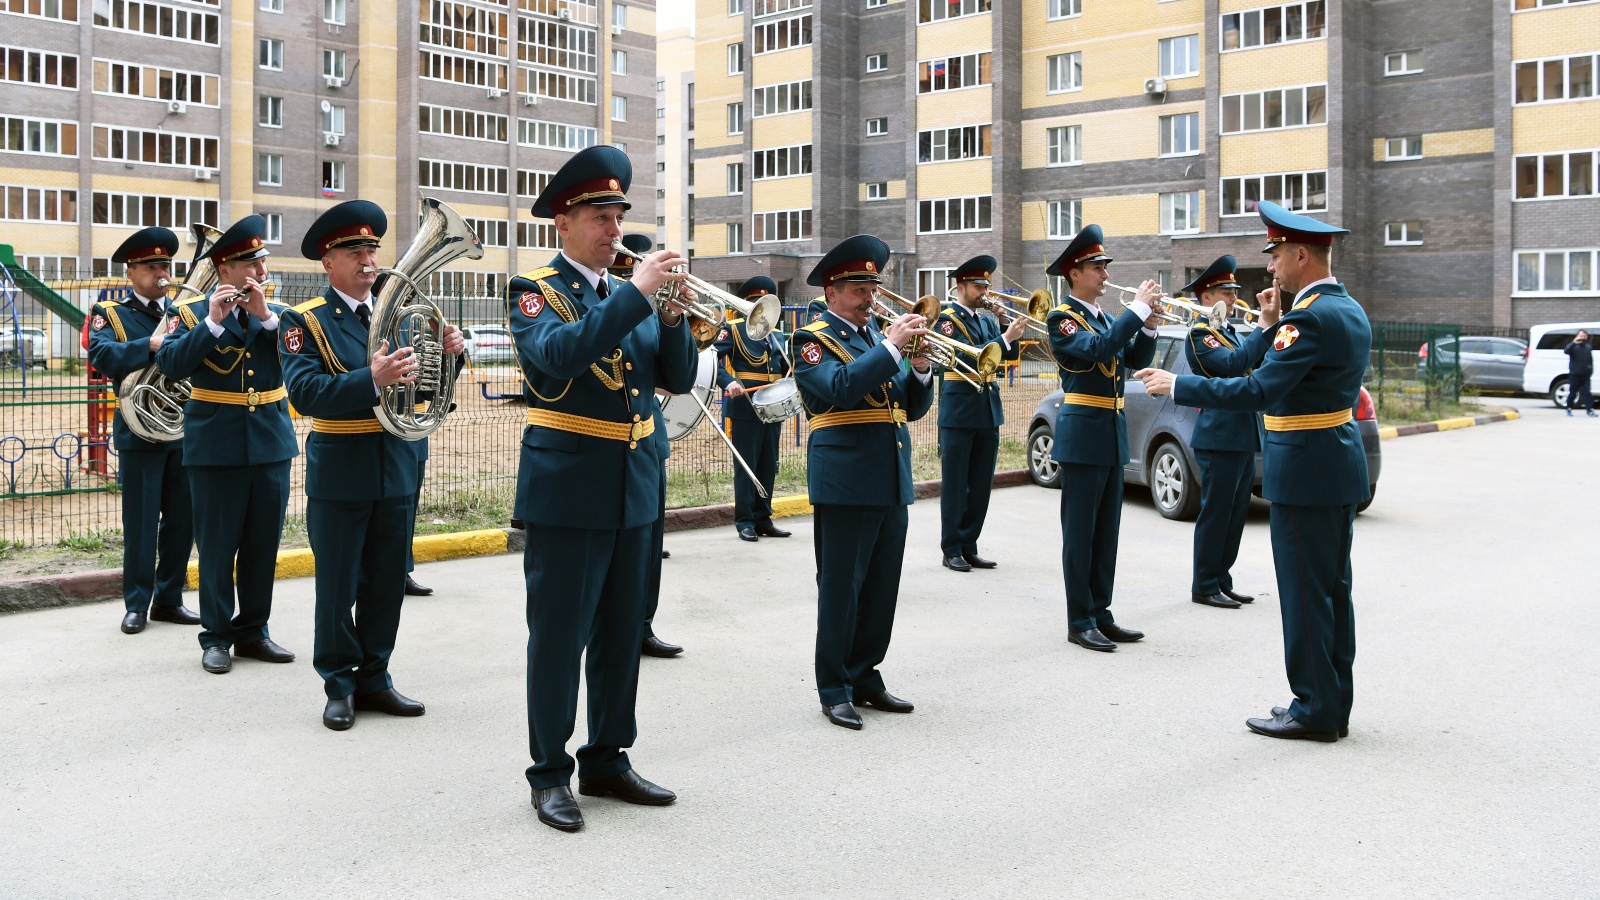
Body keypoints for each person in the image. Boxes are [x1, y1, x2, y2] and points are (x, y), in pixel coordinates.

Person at [508, 146, 697, 831]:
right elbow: (559, 356)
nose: (614, 227)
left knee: (622, 633)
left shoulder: (630, 293)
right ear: (563, 219)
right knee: (558, 638)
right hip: (569, 485)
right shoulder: (534, 290)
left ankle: (609, 757)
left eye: (619, 213)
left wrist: (672, 318)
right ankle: (549, 773)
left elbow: (674, 377)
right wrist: (642, 294)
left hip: (636, 481)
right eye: (599, 214)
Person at [1135, 201, 1370, 742]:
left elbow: (1258, 389)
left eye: (1277, 255)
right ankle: (1334, 702)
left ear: (1302, 255)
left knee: (1306, 594)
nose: (1270, 268)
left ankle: (1312, 709)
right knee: (1333, 589)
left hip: (1305, 469)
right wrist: (1270, 325)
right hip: (1334, 464)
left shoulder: (1308, 317)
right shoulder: (1347, 308)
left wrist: (1178, 386)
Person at [278, 200, 465, 730]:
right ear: (327, 262)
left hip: (397, 466)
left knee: (386, 581)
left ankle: (376, 676)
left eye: (372, 250)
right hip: (342, 469)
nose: (368, 260)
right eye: (354, 251)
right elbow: (305, 393)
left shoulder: (399, 312)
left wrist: (450, 355)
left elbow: (428, 389)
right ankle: (338, 683)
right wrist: (371, 380)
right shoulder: (304, 320)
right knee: (338, 585)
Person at [791, 234, 935, 730]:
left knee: (880, 587)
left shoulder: (875, 339)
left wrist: (918, 369)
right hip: (846, 479)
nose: (869, 297)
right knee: (841, 588)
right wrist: (894, 347)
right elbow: (840, 389)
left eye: (872, 287)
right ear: (832, 291)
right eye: (858, 289)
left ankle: (865, 674)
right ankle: (833, 686)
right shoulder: (812, 339)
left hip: (888, 475)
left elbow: (909, 410)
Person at [157, 215, 298, 675]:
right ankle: (216, 636)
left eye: (262, 262)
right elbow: (173, 364)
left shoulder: (279, 315)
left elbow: (296, 366)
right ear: (224, 270)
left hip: (271, 443)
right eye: (250, 264)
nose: (260, 271)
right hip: (215, 444)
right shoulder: (191, 312)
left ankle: (254, 631)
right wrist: (213, 325)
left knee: (262, 546)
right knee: (217, 547)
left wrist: (264, 318)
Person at [1045, 224, 1160, 653]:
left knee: (1106, 531)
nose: (1106, 275)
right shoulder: (1062, 318)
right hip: (1082, 432)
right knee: (1080, 533)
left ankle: (1101, 612)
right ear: (1074, 273)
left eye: (1105, 266)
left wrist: (1148, 325)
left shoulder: (1107, 319)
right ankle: (1080, 619)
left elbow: (1133, 360)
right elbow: (1096, 350)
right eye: (1097, 267)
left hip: (1110, 432)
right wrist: (1136, 312)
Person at [87, 227, 199, 635]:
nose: (160, 273)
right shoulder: (110, 313)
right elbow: (101, 355)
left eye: (165, 266)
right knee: (141, 522)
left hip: (181, 430)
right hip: (139, 431)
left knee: (182, 521)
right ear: (131, 272)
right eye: (151, 267)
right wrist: (150, 347)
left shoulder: (183, 312)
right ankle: (137, 603)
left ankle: (170, 600)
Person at [608, 233, 684, 659]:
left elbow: (675, 373)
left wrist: (674, 318)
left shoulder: (652, 308)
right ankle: (619, 627)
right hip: (609, 441)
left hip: (649, 440)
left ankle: (643, 623)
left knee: (649, 547)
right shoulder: (619, 298)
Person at [1181, 256, 1270, 610]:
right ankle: (1203, 584)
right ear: (1206, 297)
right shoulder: (1201, 334)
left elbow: (1257, 366)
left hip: (1242, 432)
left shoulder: (1229, 333)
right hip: (1218, 434)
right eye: (1225, 292)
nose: (1233, 299)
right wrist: (1263, 327)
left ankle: (1222, 579)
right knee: (1217, 513)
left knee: (1235, 514)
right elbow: (1235, 366)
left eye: (1233, 291)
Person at [933, 256, 1025, 572]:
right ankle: (951, 548)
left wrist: (1002, 326)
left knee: (981, 483)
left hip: (987, 408)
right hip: (959, 409)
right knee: (957, 483)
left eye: (986, 284)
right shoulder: (946, 320)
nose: (984, 290)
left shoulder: (986, 319)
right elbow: (965, 358)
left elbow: (1004, 357)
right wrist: (1004, 337)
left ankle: (970, 544)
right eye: (978, 285)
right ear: (960, 286)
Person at [715, 275, 793, 542]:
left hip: (772, 406)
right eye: (758, 306)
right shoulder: (734, 329)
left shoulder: (777, 334)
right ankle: (745, 520)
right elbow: (710, 360)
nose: (763, 313)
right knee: (746, 466)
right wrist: (728, 382)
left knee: (768, 464)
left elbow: (784, 368)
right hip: (745, 406)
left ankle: (763, 518)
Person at [1565, 330, 1594, 417]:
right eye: (1581, 335)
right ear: (1577, 336)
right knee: (1572, 393)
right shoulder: (1573, 346)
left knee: (1587, 393)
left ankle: (1589, 410)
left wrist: (1590, 371)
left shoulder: (1588, 347)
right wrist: (1573, 342)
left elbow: (1590, 361)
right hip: (1575, 374)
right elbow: (1566, 351)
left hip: (1585, 375)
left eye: (1584, 336)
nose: (1582, 337)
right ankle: (1569, 408)